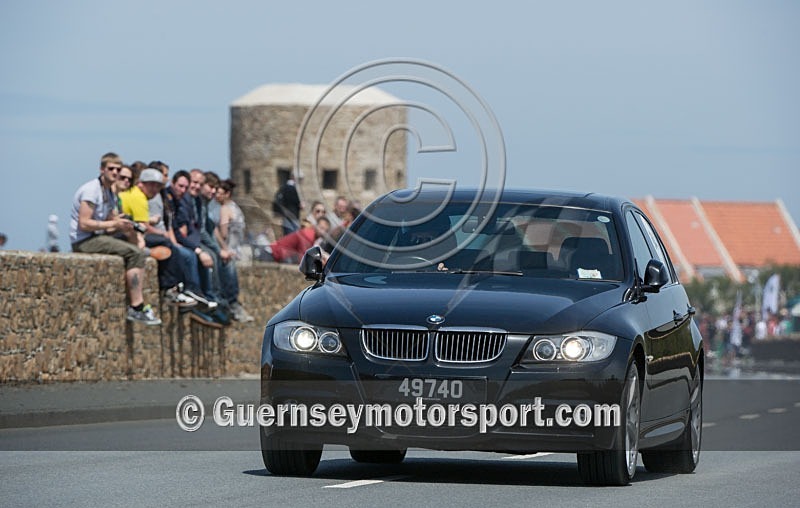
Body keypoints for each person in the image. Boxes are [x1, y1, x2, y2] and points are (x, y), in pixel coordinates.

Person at [69, 152, 160, 325]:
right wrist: (114, 225)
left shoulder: (109, 192)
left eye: (118, 169)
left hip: (98, 236)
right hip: (84, 240)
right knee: (135, 254)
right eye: (111, 169)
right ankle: (136, 306)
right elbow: (84, 223)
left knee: (135, 247)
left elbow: (110, 219)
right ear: (102, 169)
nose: (115, 173)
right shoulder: (92, 190)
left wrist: (123, 224)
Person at [118, 168, 196, 307]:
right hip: (123, 235)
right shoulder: (139, 198)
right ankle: (169, 288)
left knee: (169, 246)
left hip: (124, 233)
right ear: (141, 183)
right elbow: (143, 227)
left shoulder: (134, 194)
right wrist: (158, 235)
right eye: (151, 185)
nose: (155, 189)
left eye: (158, 186)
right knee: (168, 245)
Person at [167, 170, 219, 311]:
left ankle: (210, 299)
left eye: (199, 184)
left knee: (210, 256)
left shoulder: (194, 201)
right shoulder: (181, 200)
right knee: (193, 255)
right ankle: (198, 294)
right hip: (182, 243)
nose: (195, 187)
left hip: (189, 241)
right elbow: (180, 231)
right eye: (194, 183)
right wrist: (198, 249)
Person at [214, 179, 254, 322]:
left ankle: (229, 305)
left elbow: (224, 233)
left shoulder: (225, 209)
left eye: (219, 193)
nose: (216, 196)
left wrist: (218, 240)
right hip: (239, 249)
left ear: (227, 194)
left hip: (229, 249)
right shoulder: (236, 208)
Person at [265, 217, 330, 264]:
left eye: (325, 230)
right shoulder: (308, 235)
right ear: (315, 226)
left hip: (275, 253)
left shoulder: (311, 236)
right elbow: (302, 259)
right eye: (321, 228)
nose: (322, 232)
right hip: (272, 253)